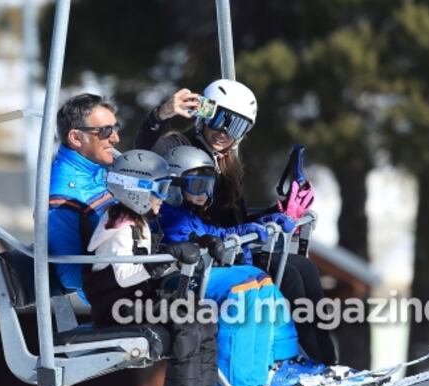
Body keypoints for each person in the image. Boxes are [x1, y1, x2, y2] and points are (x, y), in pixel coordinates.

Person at [134, 79, 337, 365]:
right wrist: (161, 116)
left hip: (227, 246)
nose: (223, 132)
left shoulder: (227, 163)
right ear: (203, 114)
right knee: (288, 273)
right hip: (198, 252)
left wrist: (274, 214)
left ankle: (325, 359)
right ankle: (300, 360)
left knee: (304, 267)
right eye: (219, 119)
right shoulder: (179, 146)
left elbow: (235, 218)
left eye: (236, 126)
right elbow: (144, 155)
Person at [85, 148, 237, 386]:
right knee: (185, 322)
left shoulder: (140, 222)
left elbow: (158, 256)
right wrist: (167, 257)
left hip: (136, 301)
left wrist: (200, 242)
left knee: (202, 314)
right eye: (160, 190)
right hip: (117, 307)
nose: (164, 198)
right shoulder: (117, 227)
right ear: (136, 192)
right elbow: (124, 275)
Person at [48, 93, 121, 303]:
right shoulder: (62, 193)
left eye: (116, 128)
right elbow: (70, 272)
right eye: (106, 131)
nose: (115, 138)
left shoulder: (100, 170)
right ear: (76, 138)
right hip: (115, 300)